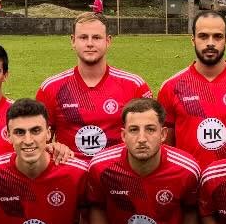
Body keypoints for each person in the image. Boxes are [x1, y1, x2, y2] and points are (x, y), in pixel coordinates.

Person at [0, 98, 92, 224]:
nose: (28, 140)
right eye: (19, 132)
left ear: (49, 133)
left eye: (35, 131)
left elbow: (88, 219)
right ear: (8, 136)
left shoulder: (78, 173)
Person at [158, 11, 226, 165]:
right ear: (193, 40)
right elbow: (164, 146)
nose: (210, 43)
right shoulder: (171, 87)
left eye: (217, 36)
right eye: (203, 36)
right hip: (188, 183)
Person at [36, 14, 151, 158]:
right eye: (83, 37)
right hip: (71, 174)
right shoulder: (50, 88)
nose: (90, 43)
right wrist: (52, 146)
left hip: (116, 176)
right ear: (73, 41)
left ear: (108, 41)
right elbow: (37, 143)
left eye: (96, 37)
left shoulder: (134, 85)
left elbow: (151, 138)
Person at [87, 98, 201, 224]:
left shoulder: (187, 170)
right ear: (123, 135)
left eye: (150, 129)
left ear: (163, 134)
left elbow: (190, 212)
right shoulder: (100, 167)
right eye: (134, 130)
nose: (142, 138)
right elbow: (97, 209)